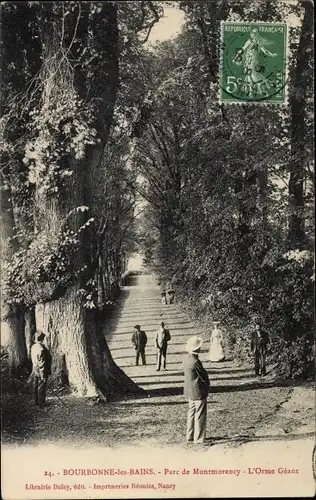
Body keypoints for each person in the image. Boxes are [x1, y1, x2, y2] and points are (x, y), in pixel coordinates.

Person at [183, 336, 210, 444]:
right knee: (200, 414)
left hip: (189, 390)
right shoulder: (196, 361)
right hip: (198, 390)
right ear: (197, 348)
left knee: (191, 413)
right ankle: (198, 438)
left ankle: (189, 435)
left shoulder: (186, 359)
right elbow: (203, 376)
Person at [30, 331, 52, 408]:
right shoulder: (41, 349)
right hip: (41, 370)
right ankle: (41, 403)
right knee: (41, 386)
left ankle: (36, 402)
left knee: (35, 386)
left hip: (35, 369)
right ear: (42, 339)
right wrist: (43, 375)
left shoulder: (34, 347)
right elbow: (42, 363)